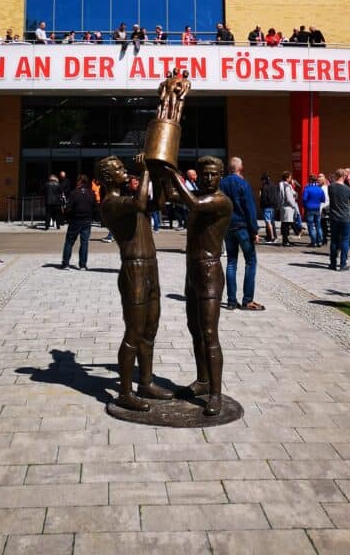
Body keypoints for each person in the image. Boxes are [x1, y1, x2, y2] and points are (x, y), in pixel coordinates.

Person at [97, 155, 171, 411]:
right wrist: (146, 171)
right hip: (134, 270)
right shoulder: (111, 203)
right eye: (118, 168)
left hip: (151, 266)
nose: (124, 170)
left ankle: (146, 383)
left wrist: (161, 176)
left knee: (150, 329)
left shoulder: (128, 200)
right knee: (134, 332)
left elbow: (158, 203)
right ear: (107, 178)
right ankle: (125, 392)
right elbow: (140, 202)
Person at [168, 155, 234, 416]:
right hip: (192, 271)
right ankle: (203, 380)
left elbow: (192, 202)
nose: (207, 178)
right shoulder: (197, 195)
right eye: (204, 174)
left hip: (209, 271)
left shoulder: (219, 201)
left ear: (220, 176)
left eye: (212, 174)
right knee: (194, 329)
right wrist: (157, 172)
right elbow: (170, 197)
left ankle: (215, 394)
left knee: (209, 333)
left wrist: (173, 173)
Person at [219, 156, 264, 311]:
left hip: (228, 227)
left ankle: (231, 301)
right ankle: (247, 300)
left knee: (231, 262)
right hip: (243, 227)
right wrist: (255, 230)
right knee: (250, 261)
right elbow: (250, 209)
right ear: (240, 168)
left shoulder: (221, 184)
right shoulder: (243, 184)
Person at [60, 173, 96, 270]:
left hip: (75, 220)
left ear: (80, 181)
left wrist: (67, 215)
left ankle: (66, 263)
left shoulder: (74, 193)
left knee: (69, 242)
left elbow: (69, 208)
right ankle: (83, 265)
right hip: (87, 220)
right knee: (84, 243)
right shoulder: (91, 193)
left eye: (77, 181)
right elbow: (94, 206)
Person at [328, 169, 350, 271]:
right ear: (344, 176)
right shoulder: (348, 189)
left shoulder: (331, 187)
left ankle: (333, 263)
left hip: (334, 217)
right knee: (345, 240)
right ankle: (343, 264)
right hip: (345, 217)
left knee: (334, 240)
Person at [302, 174, 325, 247]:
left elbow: (304, 199)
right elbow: (323, 199)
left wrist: (305, 205)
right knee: (318, 225)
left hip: (309, 209)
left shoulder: (307, 189)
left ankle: (313, 241)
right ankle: (320, 241)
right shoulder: (320, 189)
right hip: (317, 208)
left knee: (311, 226)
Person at [278, 171, 299, 246]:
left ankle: (285, 240)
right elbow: (289, 198)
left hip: (283, 207)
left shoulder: (281, 184)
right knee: (286, 225)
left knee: (284, 224)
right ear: (287, 178)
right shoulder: (286, 186)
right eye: (290, 177)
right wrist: (294, 205)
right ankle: (286, 241)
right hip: (288, 207)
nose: (291, 179)